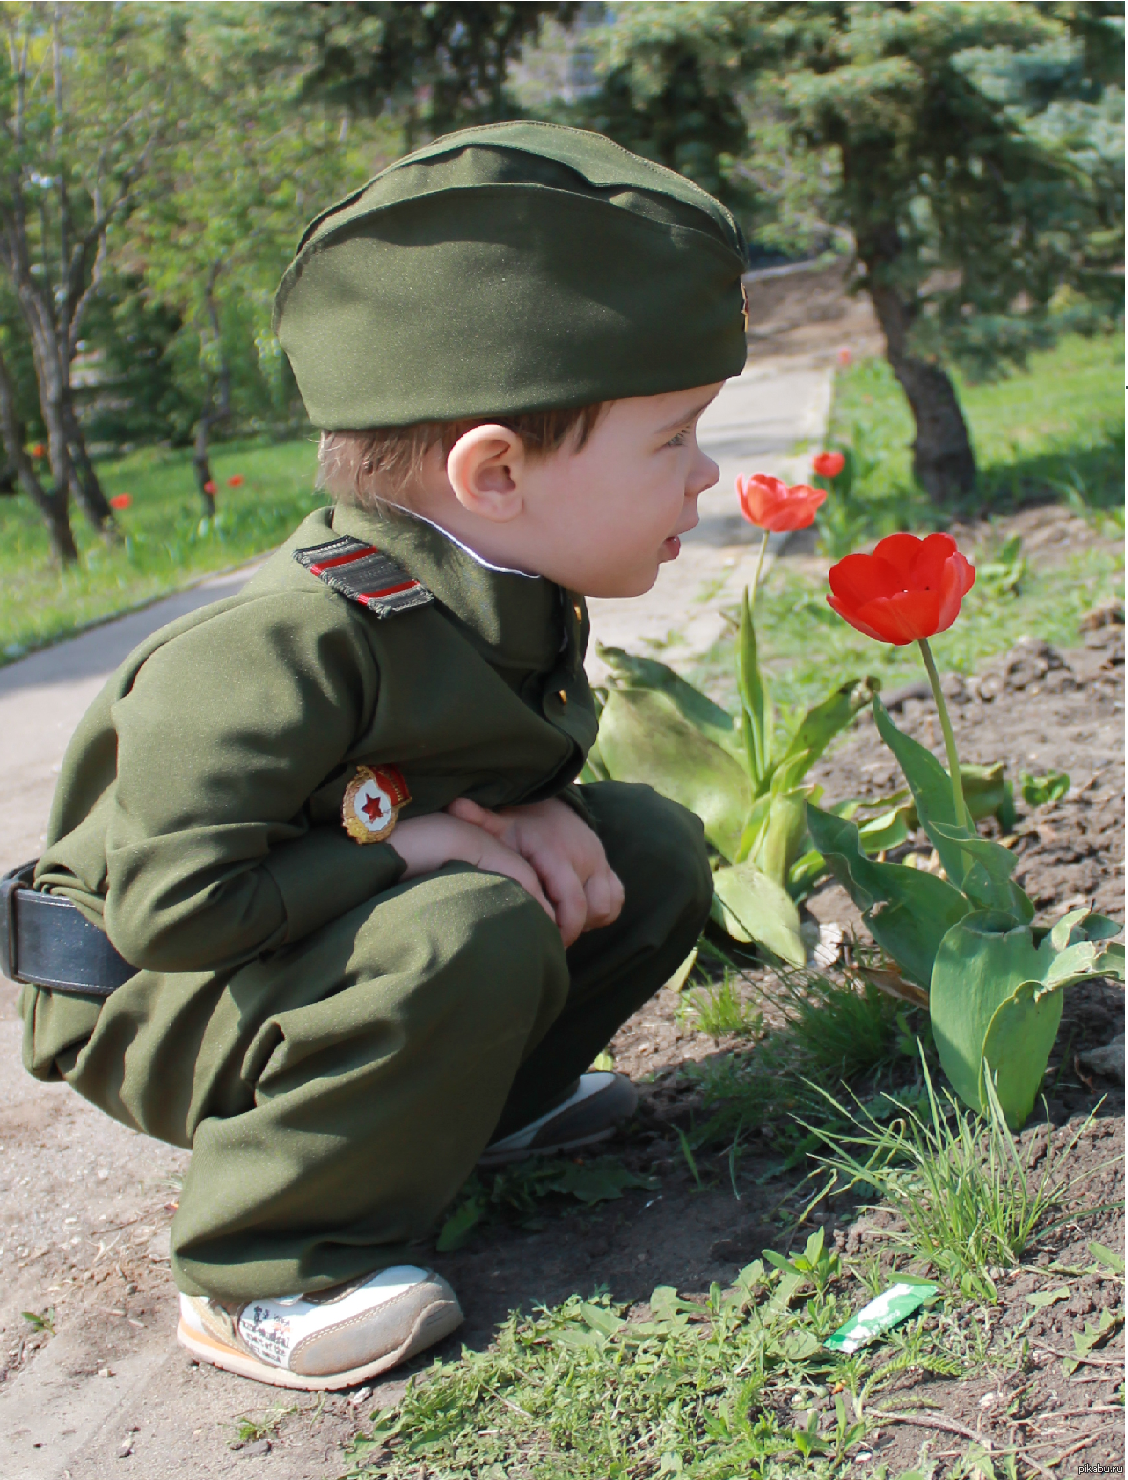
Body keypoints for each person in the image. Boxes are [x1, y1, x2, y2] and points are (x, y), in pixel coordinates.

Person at [11, 121, 748, 1390]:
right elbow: (175, 904)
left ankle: (470, 1115)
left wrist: (529, 811)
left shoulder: (498, 586)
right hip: (148, 984)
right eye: (672, 437)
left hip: (290, 934)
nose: (707, 472)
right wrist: (420, 842)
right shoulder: (280, 645)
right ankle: (263, 1262)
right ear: (495, 470)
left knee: (649, 850)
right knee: (466, 926)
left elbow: (459, 749)